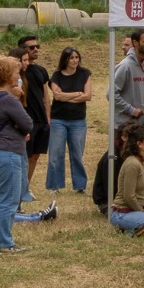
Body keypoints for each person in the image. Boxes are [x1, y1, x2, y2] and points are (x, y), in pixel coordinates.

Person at [0, 55, 33, 253]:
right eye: (16, 72)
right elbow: (28, 123)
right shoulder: (9, 100)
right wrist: (17, 98)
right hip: (7, 153)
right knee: (8, 200)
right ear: (7, 76)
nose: (19, 76)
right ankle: (3, 242)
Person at [46, 46, 91, 193]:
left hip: (78, 120)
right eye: (71, 58)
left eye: (76, 57)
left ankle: (80, 186)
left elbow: (88, 96)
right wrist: (78, 93)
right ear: (65, 60)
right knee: (56, 153)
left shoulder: (85, 74)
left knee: (77, 153)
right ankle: (55, 185)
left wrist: (66, 96)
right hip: (58, 119)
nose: (75, 60)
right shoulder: (56, 75)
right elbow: (57, 96)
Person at [110, 126, 144, 234]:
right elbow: (129, 196)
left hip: (136, 211)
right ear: (139, 144)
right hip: (122, 213)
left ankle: (135, 229)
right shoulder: (132, 164)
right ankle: (130, 231)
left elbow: (143, 196)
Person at [16, 35, 50, 198]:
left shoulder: (41, 70)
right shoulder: (17, 73)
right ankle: (19, 189)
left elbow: (46, 96)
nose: (36, 49)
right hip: (25, 120)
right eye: (31, 47)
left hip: (41, 120)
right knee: (24, 156)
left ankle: (26, 187)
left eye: (37, 46)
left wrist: (48, 118)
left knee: (35, 156)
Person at [112, 29, 144, 133]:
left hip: (141, 125)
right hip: (124, 127)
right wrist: (131, 110)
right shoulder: (125, 66)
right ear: (135, 43)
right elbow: (111, 94)